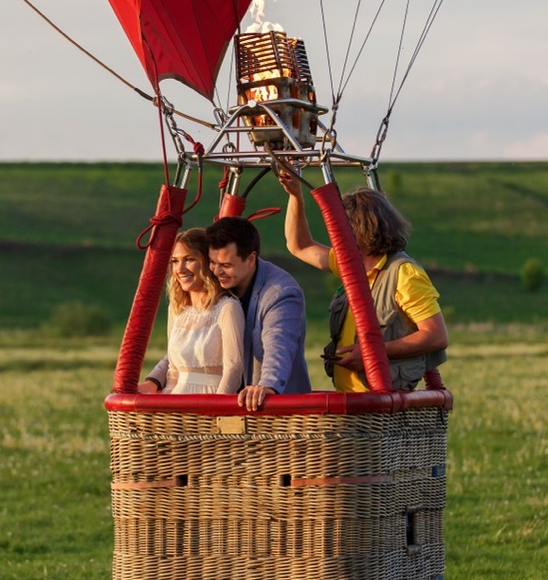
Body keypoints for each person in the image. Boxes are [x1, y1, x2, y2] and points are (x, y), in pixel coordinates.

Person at [278, 171, 448, 392]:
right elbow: (299, 245)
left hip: (383, 402)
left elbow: (436, 336)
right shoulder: (349, 264)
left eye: (341, 227)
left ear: (361, 229)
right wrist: (295, 196)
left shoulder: (404, 274)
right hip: (350, 401)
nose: (336, 234)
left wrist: (373, 352)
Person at [206, 216, 311, 411]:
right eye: (213, 262)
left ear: (251, 259)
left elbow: (279, 343)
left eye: (226, 265)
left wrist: (268, 385)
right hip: (229, 406)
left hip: (274, 414)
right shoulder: (215, 285)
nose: (217, 271)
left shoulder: (281, 293)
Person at [139, 228, 245, 394]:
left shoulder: (228, 308)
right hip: (177, 404)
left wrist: (216, 410)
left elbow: (234, 369)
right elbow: (173, 371)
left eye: (189, 259)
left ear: (209, 263)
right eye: (174, 261)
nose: (180, 269)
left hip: (211, 400)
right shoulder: (177, 310)